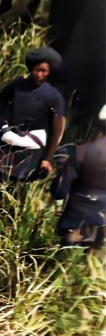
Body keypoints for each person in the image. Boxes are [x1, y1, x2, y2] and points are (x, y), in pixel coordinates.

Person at [0, 46, 66, 182]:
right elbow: (0, 101)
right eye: (37, 70)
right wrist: (0, 123)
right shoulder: (18, 84)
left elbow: (57, 131)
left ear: (49, 72)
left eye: (43, 71)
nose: (39, 74)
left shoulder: (54, 97)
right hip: (8, 147)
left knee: (18, 188)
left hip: (32, 154)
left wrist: (47, 159)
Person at [49, 105, 106, 255]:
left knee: (63, 268)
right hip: (103, 225)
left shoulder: (79, 152)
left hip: (75, 220)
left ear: (98, 124)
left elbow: (59, 191)